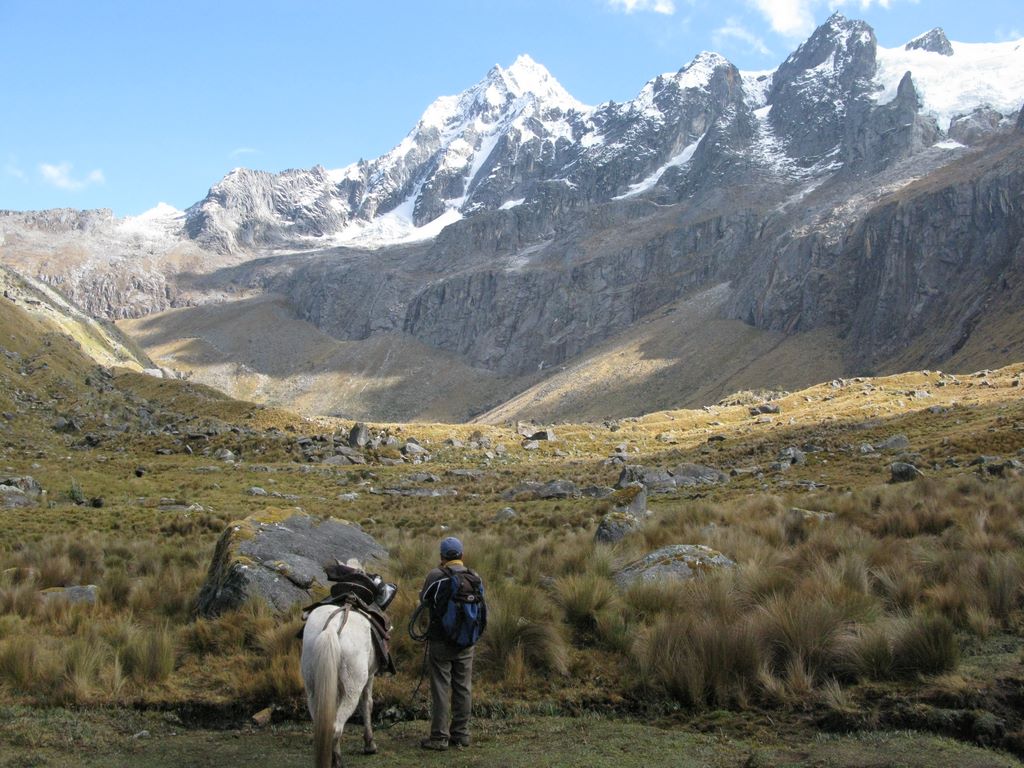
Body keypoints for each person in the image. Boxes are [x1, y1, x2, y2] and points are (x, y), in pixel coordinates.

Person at [420, 536, 481, 750]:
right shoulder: (474, 577)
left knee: (440, 688)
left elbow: (424, 600)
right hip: (466, 642)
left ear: (442, 557)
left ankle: (439, 737)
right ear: (462, 556)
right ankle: (461, 734)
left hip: (440, 641)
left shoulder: (435, 576)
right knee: (463, 687)